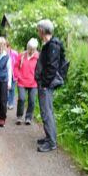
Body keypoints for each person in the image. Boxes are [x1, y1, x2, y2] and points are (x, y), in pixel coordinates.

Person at [35, 19, 61, 152]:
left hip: (46, 85)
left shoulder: (53, 45)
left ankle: (51, 142)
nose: (38, 31)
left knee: (47, 113)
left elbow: (52, 67)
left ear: (43, 30)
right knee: (47, 111)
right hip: (45, 83)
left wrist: (44, 83)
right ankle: (49, 137)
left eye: (38, 29)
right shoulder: (48, 44)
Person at [14, 38, 39, 125]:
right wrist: (17, 76)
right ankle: (19, 116)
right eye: (30, 49)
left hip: (33, 82)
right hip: (22, 81)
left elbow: (40, 69)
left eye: (33, 49)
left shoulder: (38, 57)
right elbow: (16, 66)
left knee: (32, 100)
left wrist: (38, 78)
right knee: (21, 98)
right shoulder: (21, 55)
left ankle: (28, 117)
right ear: (27, 47)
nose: (31, 51)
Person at [6, 41, 19, 110]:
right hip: (5, 74)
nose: (5, 48)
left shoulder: (15, 53)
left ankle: (10, 103)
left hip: (13, 74)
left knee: (12, 89)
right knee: (5, 89)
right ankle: (6, 101)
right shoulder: (3, 54)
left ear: (9, 47)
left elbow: (18, 64)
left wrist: (17, 74)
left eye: (6, 47)